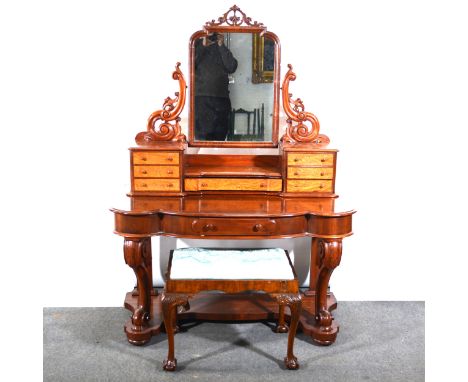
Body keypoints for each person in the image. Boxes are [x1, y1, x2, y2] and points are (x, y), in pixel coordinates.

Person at [194, 33, 238, 141]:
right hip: (201, 99)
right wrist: (203, 46)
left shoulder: (221, 47)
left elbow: (232, 67)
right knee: (202, 137)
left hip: (221, 98)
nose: (211, 35)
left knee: (220, 135)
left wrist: (221, 45)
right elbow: (190, 65)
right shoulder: (195, 45)